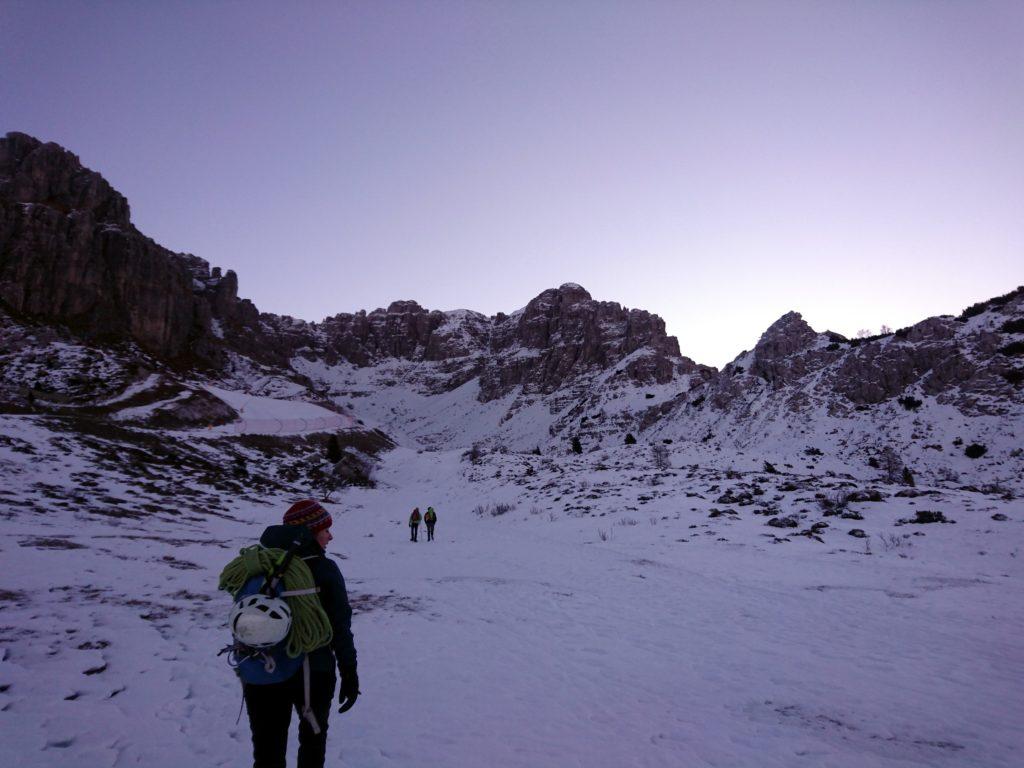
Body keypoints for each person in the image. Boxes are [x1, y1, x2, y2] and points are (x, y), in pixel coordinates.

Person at [242, 499, 359, 768]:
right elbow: (340, 626)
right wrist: (349, 672)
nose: (330, 536)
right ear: (308, 531)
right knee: (312, 749)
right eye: (325, 529)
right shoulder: (324, 568)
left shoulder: (261, 564)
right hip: (313, 672)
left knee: (267, 755)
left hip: (261, 671)